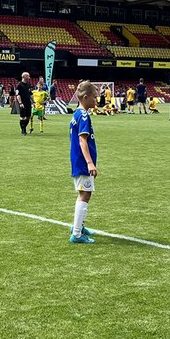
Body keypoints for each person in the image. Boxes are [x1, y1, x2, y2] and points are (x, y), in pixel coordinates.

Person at [69, 80, 99, 244]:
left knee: (83, 193)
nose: (96, 100)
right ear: (85, 97)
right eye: (94, 97)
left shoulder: (77, 113)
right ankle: (77, 234)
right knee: (85, 194)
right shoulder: (84, 116)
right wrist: (90, 162)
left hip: (77, 160)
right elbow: (82, 141)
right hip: (82, 161)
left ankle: (78, 225)